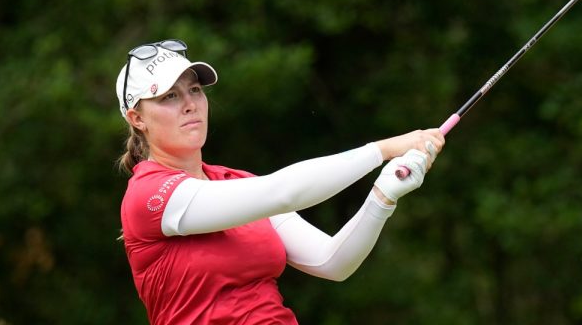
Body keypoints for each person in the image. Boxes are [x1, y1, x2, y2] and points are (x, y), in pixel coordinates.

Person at [115, 40, 445, 324]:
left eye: (195, 90)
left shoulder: (237, 181)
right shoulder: (148, 196)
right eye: (169, 97)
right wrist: (382, 150)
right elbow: (284, 192)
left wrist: (383, 195)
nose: (190, 104)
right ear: (137, 118)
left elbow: (331, 262)